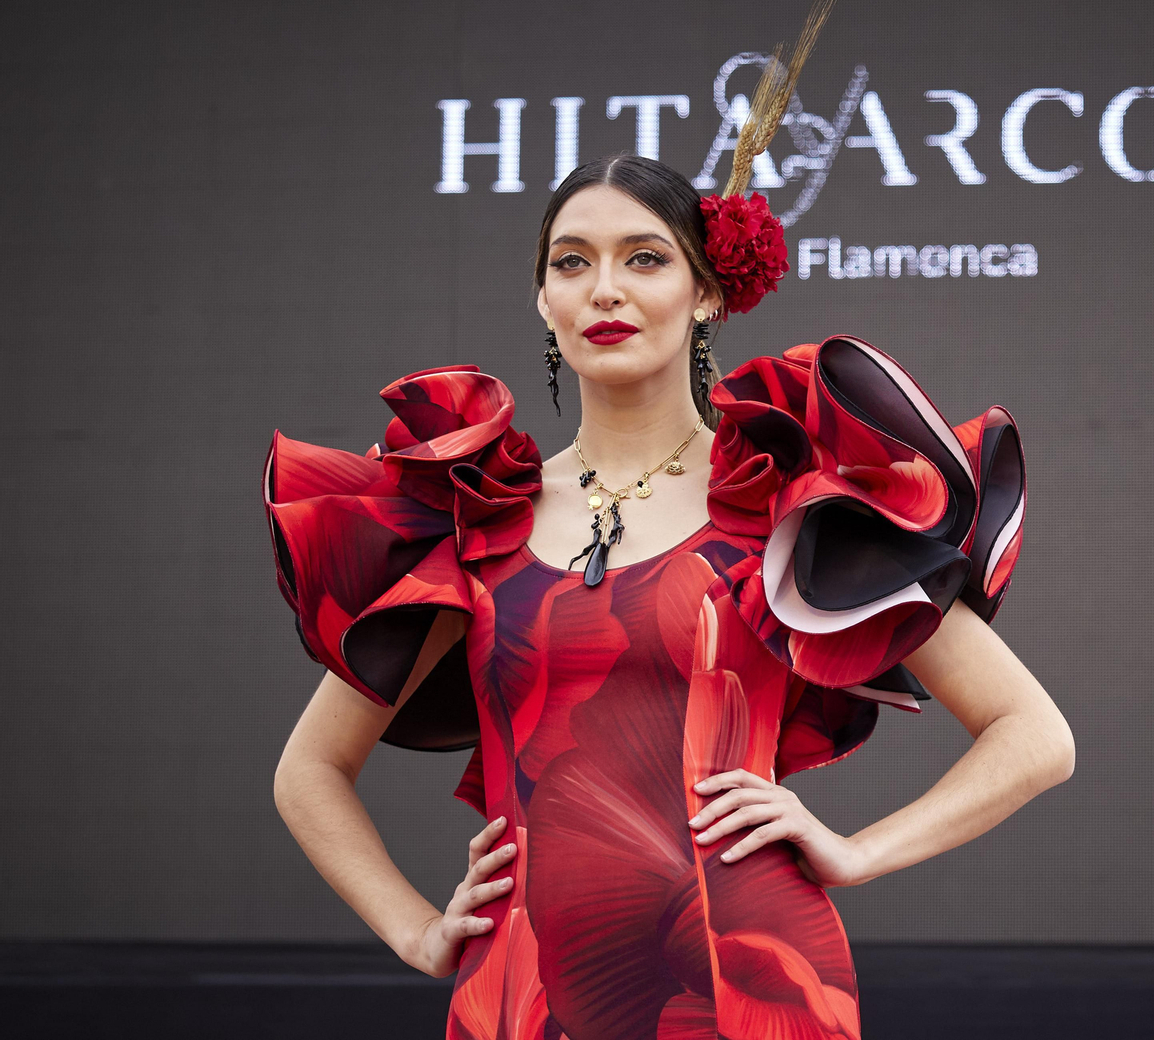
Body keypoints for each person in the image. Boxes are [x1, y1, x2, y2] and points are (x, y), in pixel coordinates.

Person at [267, 150, 1075, 1039]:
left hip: (749, 979)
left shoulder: (783, 501)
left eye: (644, 257)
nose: (604, 288)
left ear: (707, 294)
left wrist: (855, 852)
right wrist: (418, 929)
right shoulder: (475, 517)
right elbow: (309, 771)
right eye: (571, 262)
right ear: (544, 299)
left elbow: (1034, 734)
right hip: (523, 988)